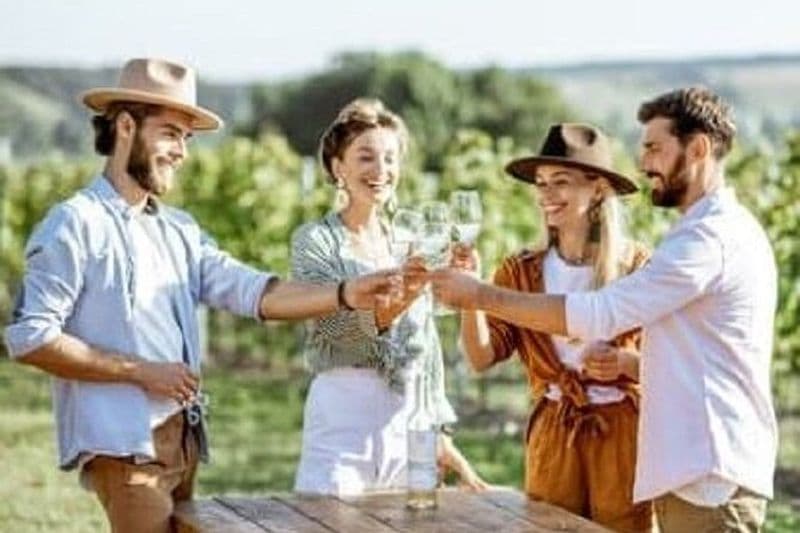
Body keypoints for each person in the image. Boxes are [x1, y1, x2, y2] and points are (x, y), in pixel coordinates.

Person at [3, 58, 396, 533]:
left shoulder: (179, 230)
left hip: (182, 437)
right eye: (171, 133)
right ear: (126, 126)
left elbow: (255, 293)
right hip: (125, 445)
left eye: (186, 138)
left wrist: (346, 292)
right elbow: (30, 337)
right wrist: (141, 372)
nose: (182, 152)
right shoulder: (75, 223)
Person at [431, 87, 777, 532]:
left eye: (654, 147)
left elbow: (599, 313)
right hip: (685, 467)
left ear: (698, 148)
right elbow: (683, 355)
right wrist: (475, 296)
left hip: (705, 470)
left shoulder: (701, 242)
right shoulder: (704, 233)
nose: (644, 161)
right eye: (542, 184)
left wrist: (477, 294)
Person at [451, 123, 653, 532]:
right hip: (555, 434)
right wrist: (471, 296)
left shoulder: (639, 268)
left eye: (560, 182)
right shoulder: (522, 271)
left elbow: (670, 364)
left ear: (598, 189)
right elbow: (479, 358)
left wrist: (625, 363)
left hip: (622, 436)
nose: (546, 195)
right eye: (541, 184)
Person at [291, 98, 488, 495]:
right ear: (337, 168)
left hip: (409, 429)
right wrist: (407, 293)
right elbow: (335, 331)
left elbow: (427, 348)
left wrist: (439, 431)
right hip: (343, 422)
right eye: (366, 157)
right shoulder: (314, 241)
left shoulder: (412, 241)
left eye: (391, 158)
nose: (381, 171)